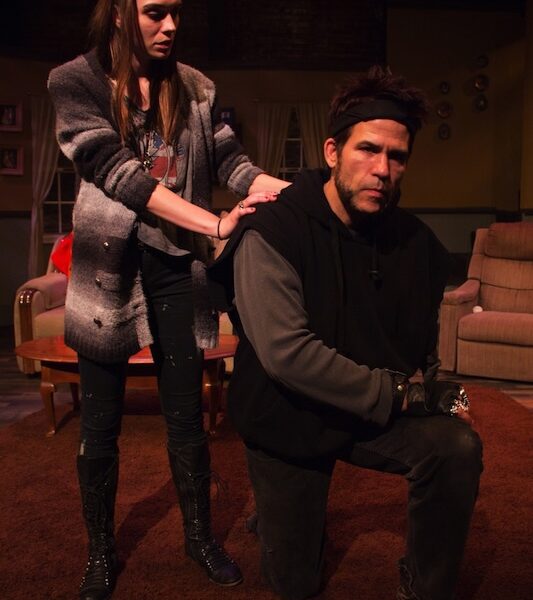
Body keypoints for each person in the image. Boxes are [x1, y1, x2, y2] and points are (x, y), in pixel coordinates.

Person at [209, 66, 483, 600]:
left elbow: (423, 344)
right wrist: (404, 395)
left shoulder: (417, 244)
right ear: (333, 151)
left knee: (456, 447)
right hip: (287, 415)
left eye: (397, 156)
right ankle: (277, 514)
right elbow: (287, 356)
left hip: (365, 408)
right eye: (368, 150)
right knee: (296, 582)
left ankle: (426, 589)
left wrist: (439, 392)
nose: (382, 169)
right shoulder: (274, 231)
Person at [47, 1, 288, 598]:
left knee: (187, 415)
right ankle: (100, 553)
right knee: (100, 424)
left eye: (177, 12)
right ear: (119, 12)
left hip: (177, 268)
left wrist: (295, 193)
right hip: (108, 268)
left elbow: (232, 163)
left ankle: (199, 539)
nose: (171, 26)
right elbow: (122, 176)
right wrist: (215, 224)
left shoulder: (195, 87)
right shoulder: (74, 81)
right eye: (155, 12)